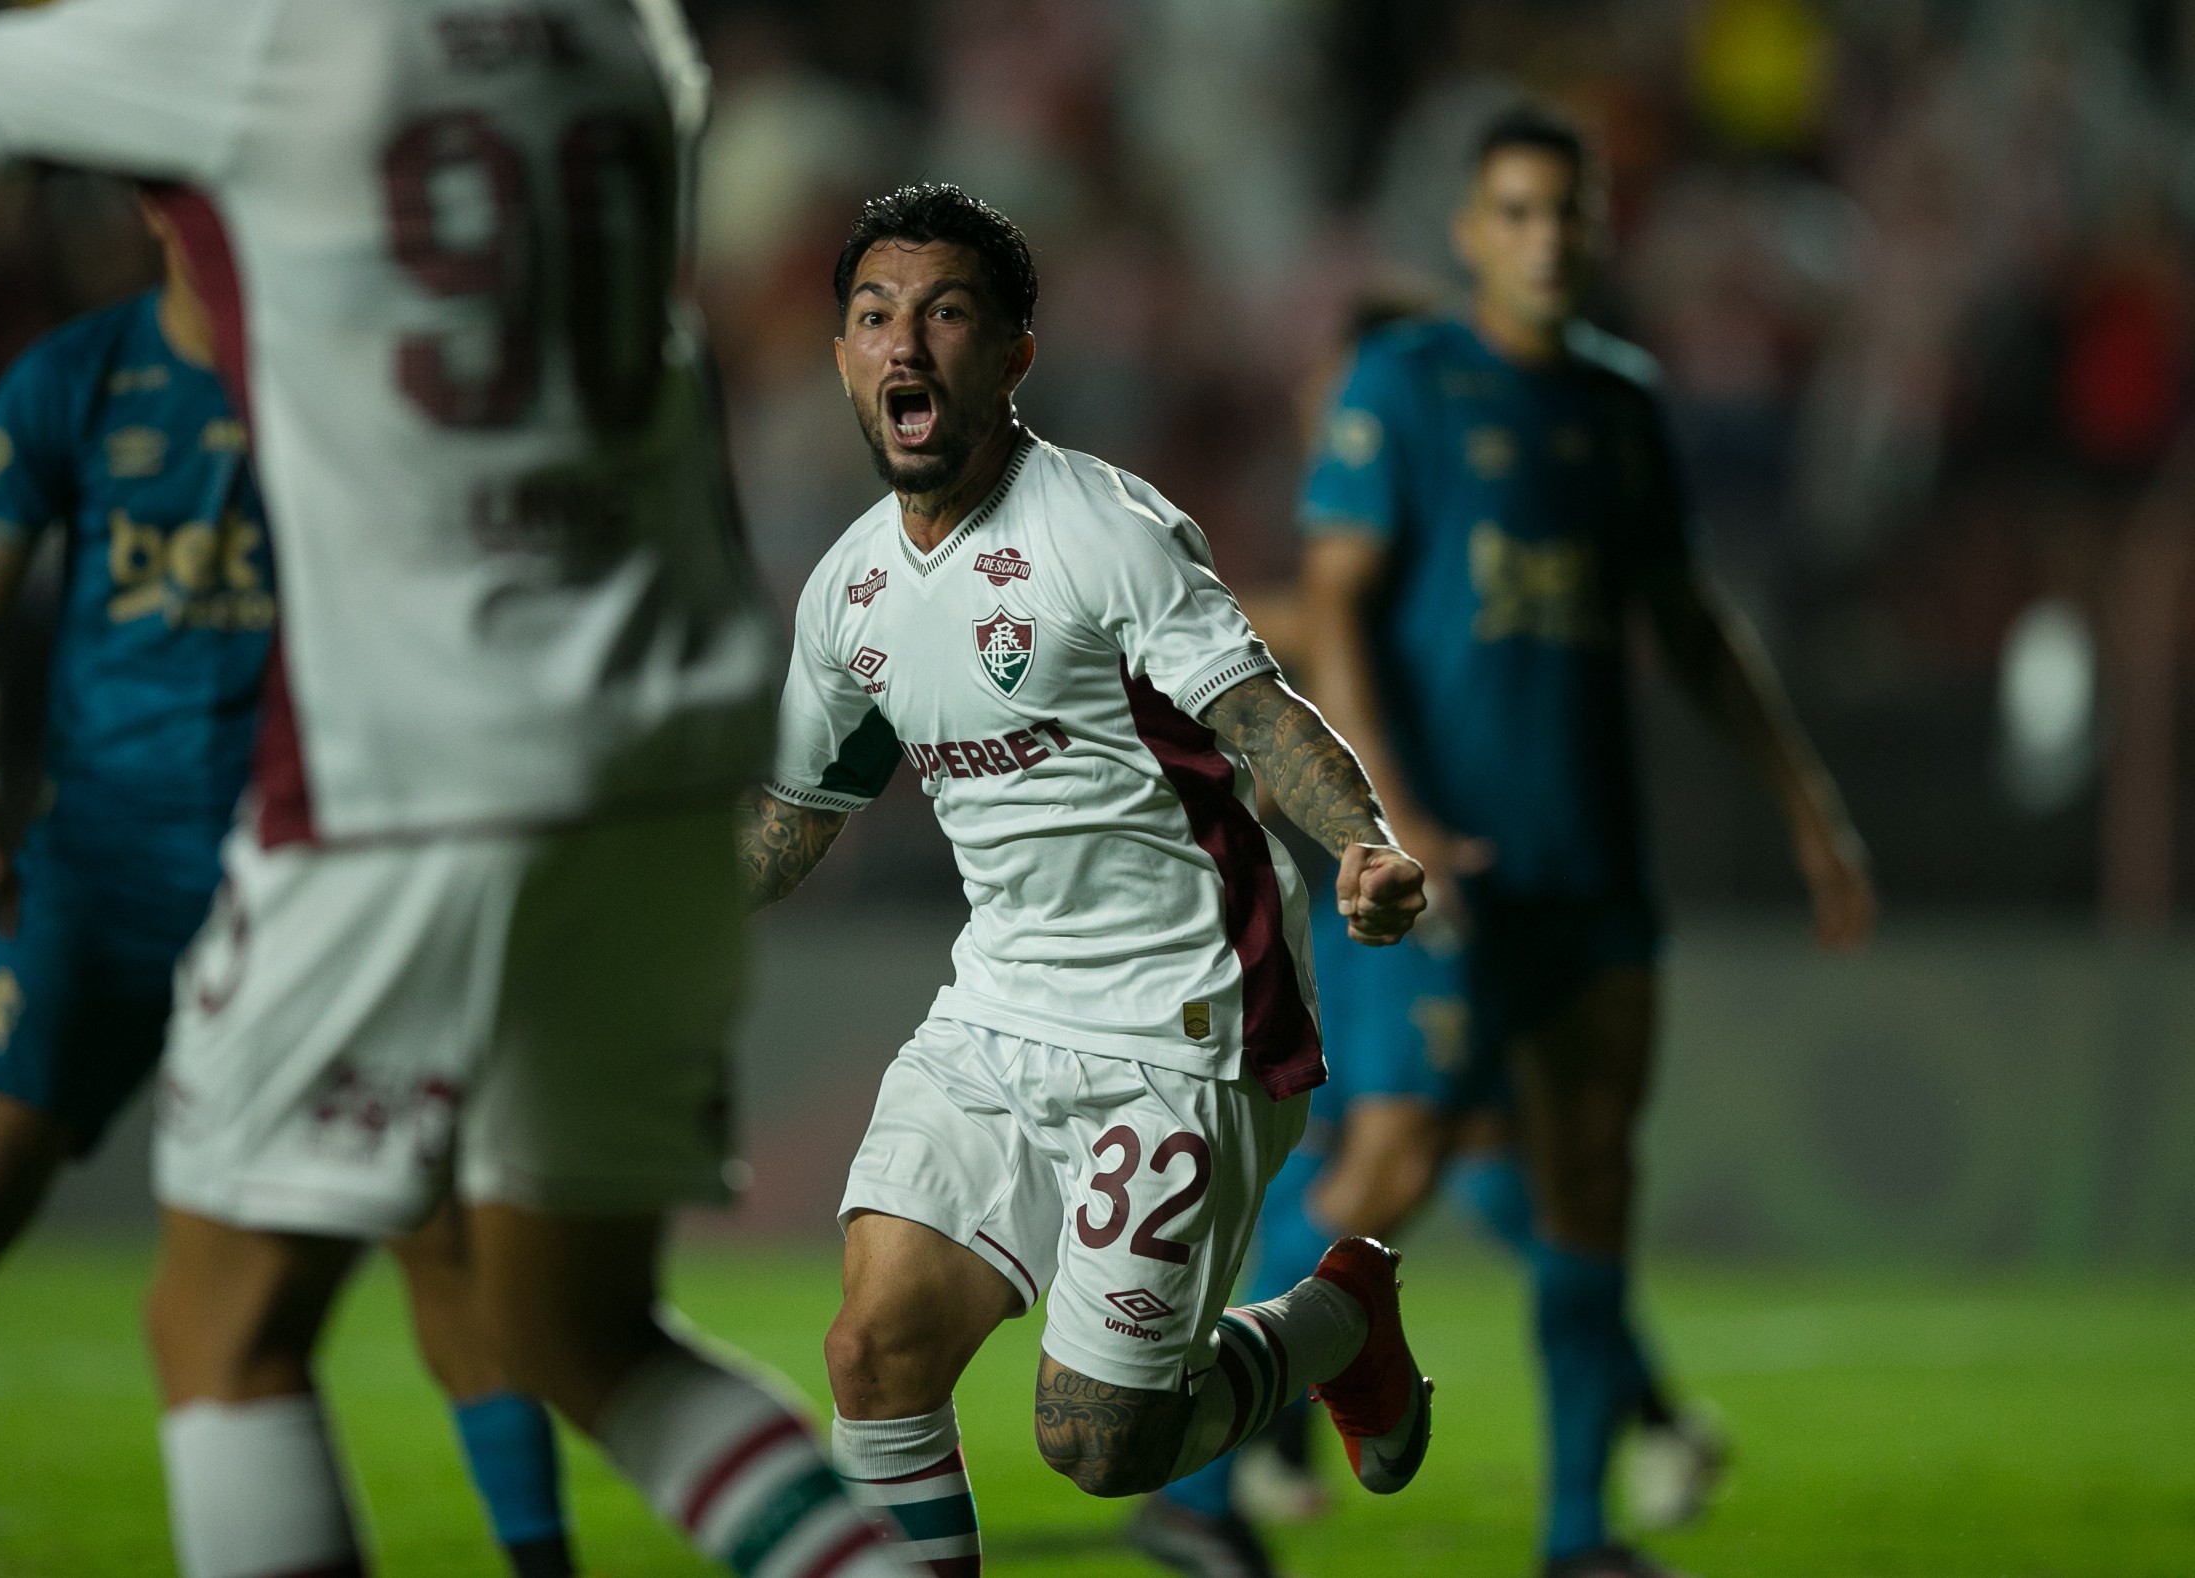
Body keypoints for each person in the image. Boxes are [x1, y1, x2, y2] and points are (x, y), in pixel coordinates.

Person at [0, 6, 916, 1578]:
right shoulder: (627, 37)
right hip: (658, 766)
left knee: (224, 1325)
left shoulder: (270, 36)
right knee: (581, 1328)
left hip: (412, 766)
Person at [1141, 106, 1876, 1578]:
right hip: (1435, 874)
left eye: (1569, 214)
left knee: (1583, 1179)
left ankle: (1576, 1536)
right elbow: (1331, 607)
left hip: (1591, 868)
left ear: (1597, 234)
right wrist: (1385, 813)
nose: (1546, 239)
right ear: (1474, 232)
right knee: (1386, 1162)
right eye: (1519, 213)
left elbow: (1688, 619)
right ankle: (1197, 1488)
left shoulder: (1620, 403)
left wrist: (1805, 799)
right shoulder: (1403, 384)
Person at [0, 199, 577, 1578]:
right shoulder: (75, 378)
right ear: (151, 210)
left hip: (301, 879)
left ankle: (542, 1562)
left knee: (428, 1225)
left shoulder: (354, 382)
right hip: (101, 872)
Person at [740, 183, 1437, 1578]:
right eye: (874, 317)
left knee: (1102, 1442)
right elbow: (796, 818)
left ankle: (1338, 1322)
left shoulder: (1103, 528)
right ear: (843, 359)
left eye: (946, 315)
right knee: (872, 1349)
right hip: (996, 1012)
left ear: (1014, 356)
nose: (905, 347)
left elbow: (1258, 712)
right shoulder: (849, 592)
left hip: (1182, 1018)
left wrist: (1358, 833)